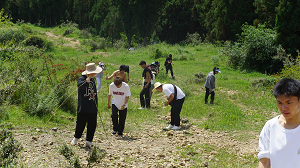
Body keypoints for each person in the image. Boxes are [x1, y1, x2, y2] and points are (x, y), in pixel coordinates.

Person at [258, 78, 300, 168]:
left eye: (289, 103)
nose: (283, 107)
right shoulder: (271, 126)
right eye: (279, 102)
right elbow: (264, 162)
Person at [71, 63, 102, 147]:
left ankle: (89, 140)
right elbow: (79, 86)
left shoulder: (93, 79)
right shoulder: (82, 78)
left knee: (92, 124)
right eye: (94, 72)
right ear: (90, 72)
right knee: (80, 123)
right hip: (83, 107)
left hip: (92, 107)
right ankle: (76, 138)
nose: (95, 74)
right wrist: (85, 82)